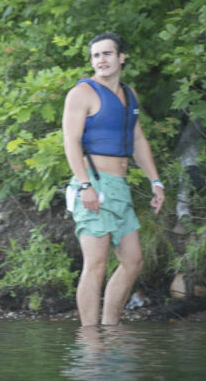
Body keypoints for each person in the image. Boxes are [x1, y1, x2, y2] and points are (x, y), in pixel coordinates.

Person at [62, 32, 165, 326]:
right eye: (96, 55)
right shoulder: (81, 93)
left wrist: (155, 181)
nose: (101, 60)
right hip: (93, 183)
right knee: (95, 266)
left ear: (121, 58)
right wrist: (85, 186)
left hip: (120, 188)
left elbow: (137, 138)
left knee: (133, 261)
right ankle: (90, 339)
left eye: (107, 54)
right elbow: (70, 142)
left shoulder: (130, 94)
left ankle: (110, 328)